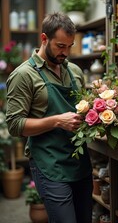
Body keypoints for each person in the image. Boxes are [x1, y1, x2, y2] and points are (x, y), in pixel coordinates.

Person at [6, 12, 93, 223]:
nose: (66, 52)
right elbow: (15, 125)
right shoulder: (24, 75)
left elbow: (81, 109)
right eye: (60, 46)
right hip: (49, 163)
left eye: (70, 46)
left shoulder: (74, 71)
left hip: (79, 161)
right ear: (44, 39)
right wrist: (57, 120)